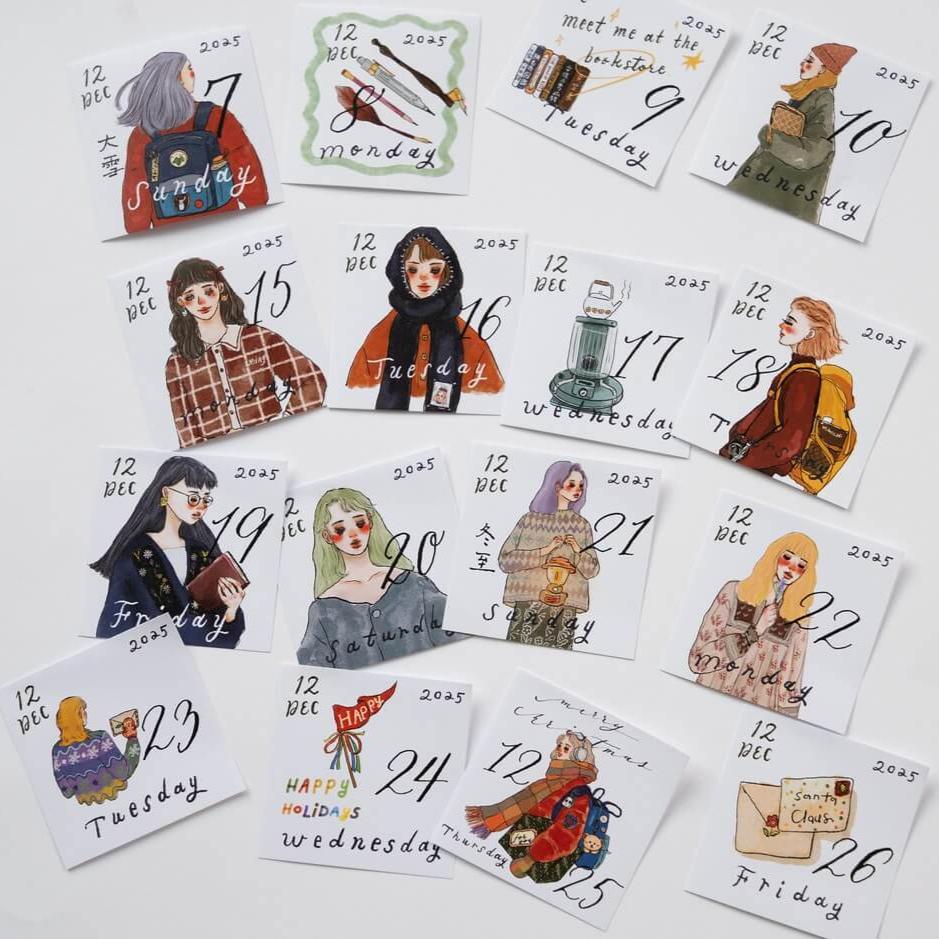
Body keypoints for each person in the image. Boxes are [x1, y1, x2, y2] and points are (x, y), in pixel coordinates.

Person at [165, 257, 326, 447]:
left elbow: (312, 379)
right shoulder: (177, 364)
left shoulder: (258, 338)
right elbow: (185, 428)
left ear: (220, 289)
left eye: (208, 291)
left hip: (278, 444)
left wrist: (286, 422)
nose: (202, 301)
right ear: (181, 303)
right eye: (190, 297)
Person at [90, 456, 246, 648]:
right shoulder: (136, 553)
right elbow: (113, 624)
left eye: (206, 500)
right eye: (193, 498)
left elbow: (217, 627)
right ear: (166, 493)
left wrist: (232, 609)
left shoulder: (201, 552)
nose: (200, 507)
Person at [296, 488, 462, 668]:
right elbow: (313, 671)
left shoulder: (414, 585)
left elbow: (461, 635)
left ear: (370, 522)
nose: (353, 534)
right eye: (340, 529)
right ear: (327, 536)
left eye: (359, 523)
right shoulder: (323, 610)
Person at [346, 227, 504, 412]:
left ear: (447, 273)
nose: (423, 277)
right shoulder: (383, 332)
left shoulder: (466, 336)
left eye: (434, 269)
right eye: (413, 269)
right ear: (401, 273)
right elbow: (355, 389)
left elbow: (493, 392)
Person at [116, 51, 269, 232]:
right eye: (189, 69)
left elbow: (136, 193)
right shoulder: (216, 117)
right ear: (177, 80)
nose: (193, 73)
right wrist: (258, 211)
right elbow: (247, 173)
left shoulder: (142, 134)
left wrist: (138, 233)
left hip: (170, 232)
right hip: (225, 224)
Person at [688, 533, 819, 717]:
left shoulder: (800, 618)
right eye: (787, 557)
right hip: (708, 699)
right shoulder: (734, 592)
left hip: (753, 712)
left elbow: (791, 679)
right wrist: (755, 631)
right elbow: (698, 660)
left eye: (801, 565)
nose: (791, 568)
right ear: (774, 555)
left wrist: (785, 722)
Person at [728, 43, 856, 223]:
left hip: (783, 196)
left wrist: (773, 138)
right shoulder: (807, 93)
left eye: (809, 61)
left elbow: (817, 151)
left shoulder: (822, 100)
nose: (802, 63)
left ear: (823, 70)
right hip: (770, 186)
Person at [720, 297, 845, 478]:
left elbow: (793, 439)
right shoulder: (796, 370)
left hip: (755, 465)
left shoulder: (805, 377)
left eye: (790, 322)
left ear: (810, 334)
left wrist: (744, 460)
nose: (781, 326)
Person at [466, 731, 599, 882]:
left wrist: (532, 857)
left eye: (566, 748)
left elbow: (567, 832)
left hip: (536, 855)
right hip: (523, 840)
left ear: (579, 755)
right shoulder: (552, 781)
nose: (559, 750)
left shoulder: (579, 792)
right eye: (559, 745)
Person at [497, 462, 599, 650]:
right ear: (556, 485)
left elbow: (592, 570)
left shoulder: (581, 525)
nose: (577, 490)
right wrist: (544, 551)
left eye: (581, 486)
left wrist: (577, 550)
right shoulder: (530, 520)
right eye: (571, 484)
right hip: (528, 602)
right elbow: (505, 560)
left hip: (565, 607)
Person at [52, 697, 140, 805]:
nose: (86, 714)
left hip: (83, 804)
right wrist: (132, 739)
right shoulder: (99, 738)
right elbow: (123, 772)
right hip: (116, 799)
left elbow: (67, 792)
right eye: (83, 712)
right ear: (78, 717)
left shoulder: (57, 751)